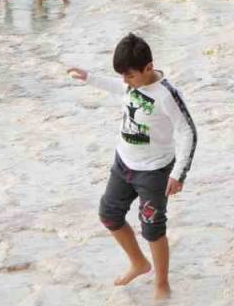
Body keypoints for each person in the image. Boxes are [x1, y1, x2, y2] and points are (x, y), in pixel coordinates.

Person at [66, 33, 197, 302]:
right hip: (123, 164)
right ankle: (139, 263)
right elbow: (119, 87)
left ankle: (162, 283)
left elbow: (188, 132)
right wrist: (89, 77)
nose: (126, 82)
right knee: (109, 214)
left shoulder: (166, 95)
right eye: (123, 76)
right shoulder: (132, 83)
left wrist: (178, 173)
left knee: (152, 228)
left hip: (154, 172)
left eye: (130, 76)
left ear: (149, 68)